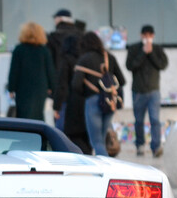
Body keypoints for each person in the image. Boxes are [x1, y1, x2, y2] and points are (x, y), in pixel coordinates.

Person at [72, 31, 125, 156]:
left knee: (96, 142)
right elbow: (122, 80)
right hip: (109, 102)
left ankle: (106, 168)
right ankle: (106, 165)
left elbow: (75, 85)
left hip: (93, 101)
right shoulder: (110, 58)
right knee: (101, 138)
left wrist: (87, 92)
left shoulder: (84, 60)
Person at [126, 24, 168, 157]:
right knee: (139, 120)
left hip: (153, 91)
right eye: (145, 35)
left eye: (150, 35)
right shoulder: (134, 49)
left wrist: (151, 53)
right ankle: (140, 145)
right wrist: (143, 53)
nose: (147, 38)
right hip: (138, 91)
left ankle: (156, 147)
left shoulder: (157, 49)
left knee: (155, 119)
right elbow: (130, 66)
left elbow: (162, 65)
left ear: (153, 36)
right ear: (141, 36)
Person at [7, 21, 56, 121]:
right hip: (40, 88)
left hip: (22, 88)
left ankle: (24, 135)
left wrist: (11, 88)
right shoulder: (44, 50)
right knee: (38, 114)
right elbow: (50, 70)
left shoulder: (19, 49)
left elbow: (14, 71)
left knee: (23, 114)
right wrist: (52, 87)